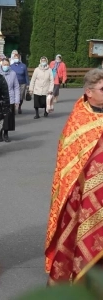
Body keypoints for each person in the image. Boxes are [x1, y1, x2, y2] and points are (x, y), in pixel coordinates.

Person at [45, 69, 103, 285]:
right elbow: (69, 163)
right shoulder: (78, 120)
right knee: (81, 237)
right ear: (88, 92)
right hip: (83, 195)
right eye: (102, 89)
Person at [0, 58, 20, 143]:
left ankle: (6, 134)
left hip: (10, 98)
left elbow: (16, 87)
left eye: (7, 64)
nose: (6, 66)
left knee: (8, 117)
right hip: (0, 98)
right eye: (4, 64)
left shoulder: (13, 73)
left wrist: (17, 100)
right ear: (1, 65)